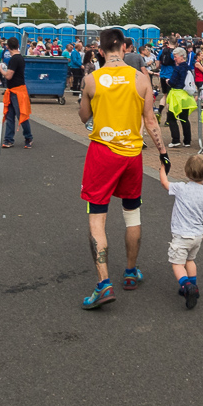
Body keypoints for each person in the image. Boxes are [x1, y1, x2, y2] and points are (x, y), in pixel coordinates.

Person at [77, 27, 170, 310]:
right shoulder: (141, 79)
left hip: (102, 154)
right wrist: (163, 155)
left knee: (97, 218)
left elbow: (84, 116)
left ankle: (104, 283)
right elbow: (152, 122)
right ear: (126, 49)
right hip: (132, 154)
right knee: (132, 213)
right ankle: (130, 272)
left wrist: (90, 98)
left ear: (101, 51)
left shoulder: (92, 80)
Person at [159, 154, 203, 310]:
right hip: (197, 235)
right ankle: (194, 286)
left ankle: (186, 286)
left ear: (186, 172)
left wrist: (162, 169)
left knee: (177, 263)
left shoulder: (181, 188)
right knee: (190, 261)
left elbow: (164, 183)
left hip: (181, 235)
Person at [0, 38, 33, 149]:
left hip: (16, 91)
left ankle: (24, 137)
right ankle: (11, 139)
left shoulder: (14, 59)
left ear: (8, 47)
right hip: (17, 90)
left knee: (19, 116)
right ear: (17, 45)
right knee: (16, 115)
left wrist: (0, 69)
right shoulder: (20, 58)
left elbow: (8, 76)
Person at [165, 47, 197, 148]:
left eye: (175, 57)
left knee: (171, 118)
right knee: (184, 118)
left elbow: (173, 82)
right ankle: (187, 141)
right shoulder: (188, 67)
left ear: (181, 57)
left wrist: (168, 81)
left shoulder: (178, 68)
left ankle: (176, 139)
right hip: (186, 96)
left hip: (177, 95)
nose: (174, 59)